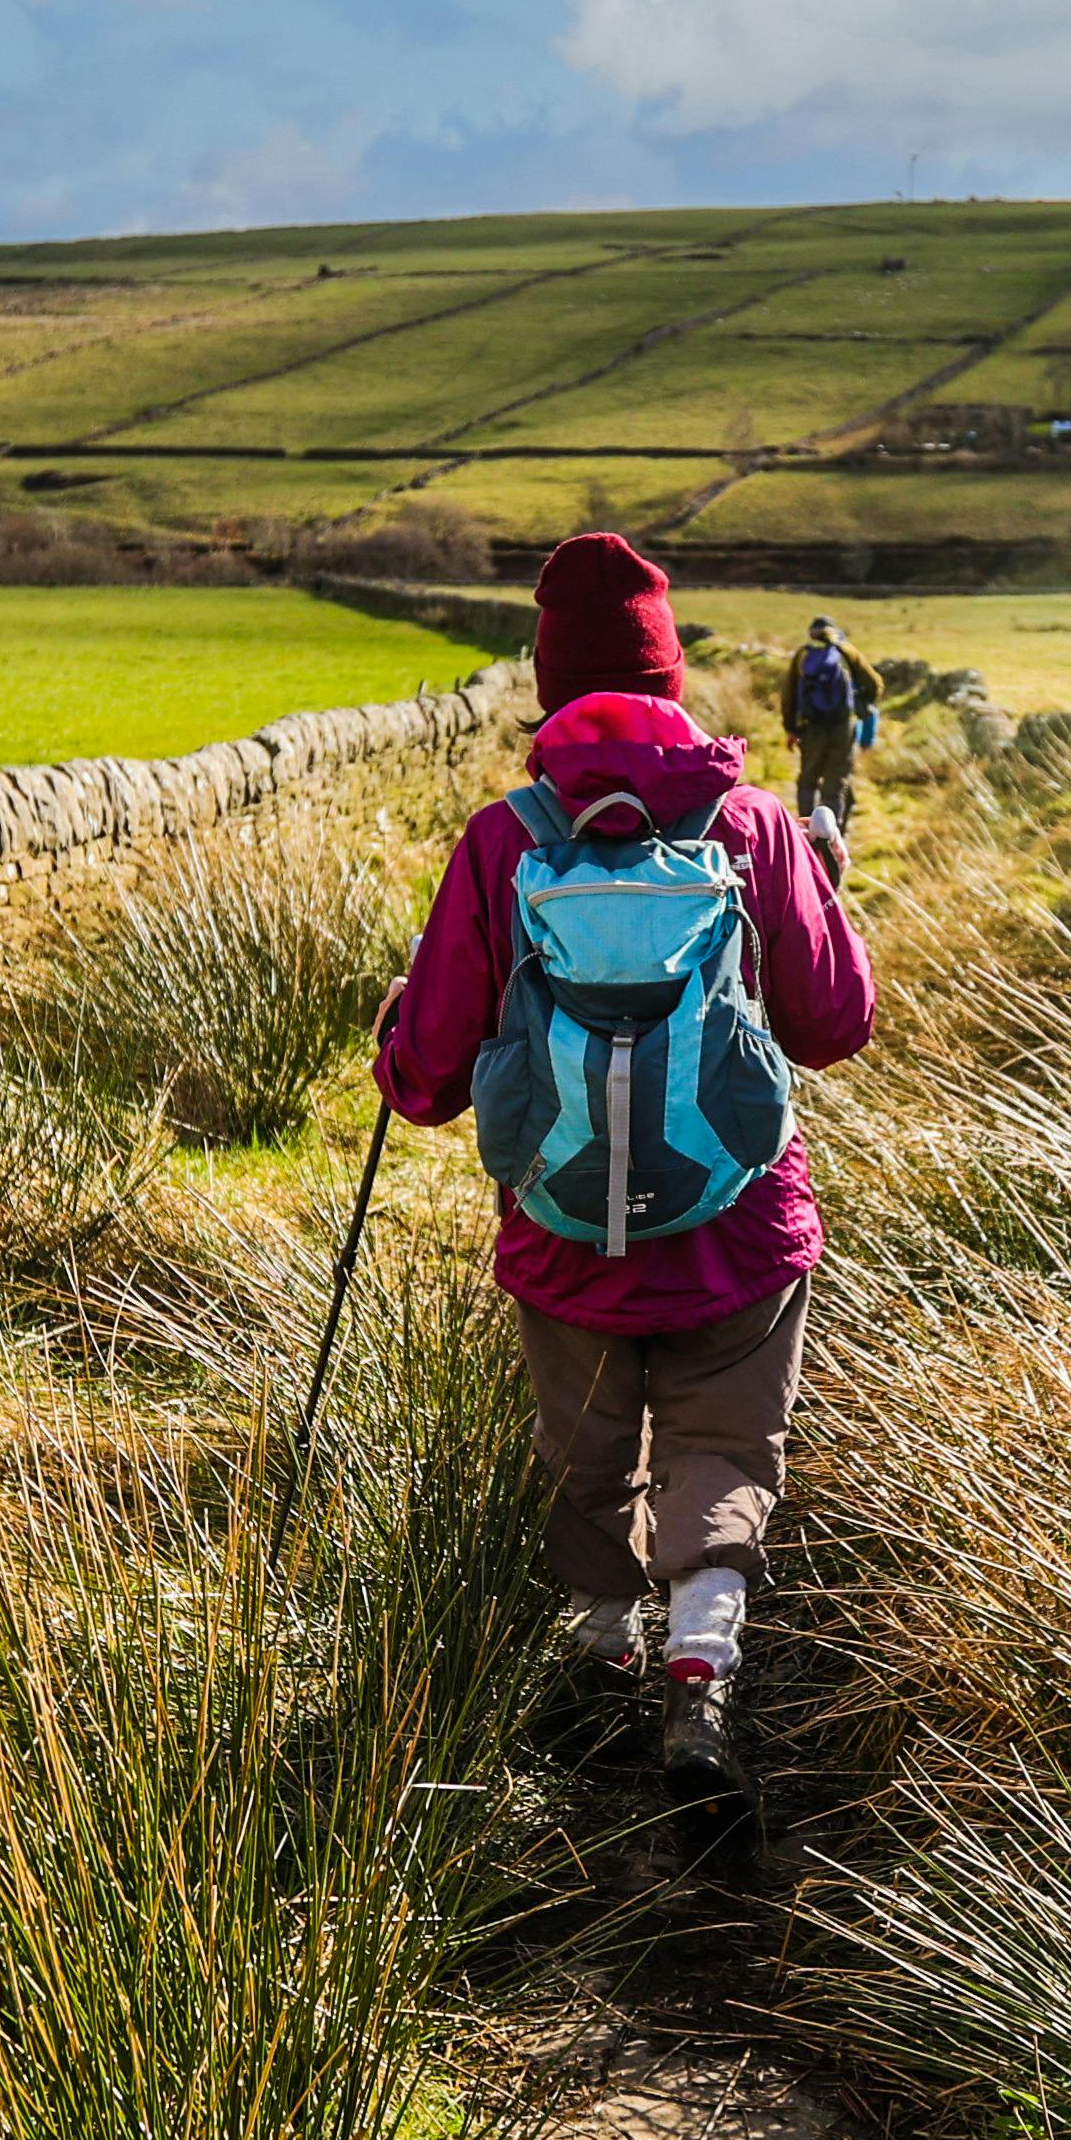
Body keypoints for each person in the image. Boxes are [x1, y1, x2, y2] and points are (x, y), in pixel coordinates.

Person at [374, 533, 876, 1795]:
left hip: (560, 1227)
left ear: (551, 682)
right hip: (740, 1229)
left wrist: (396, 1042)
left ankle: (599, 1659)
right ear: (670, 673)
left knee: (587, 1450)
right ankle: (701, 1670)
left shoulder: (505, 840)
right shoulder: (750, 824)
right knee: (725, 1447)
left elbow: (429, 1080)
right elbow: (836, 1024)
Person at [781, 614, 881, 864]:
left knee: (808, 780)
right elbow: (875, 684)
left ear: (811, 633)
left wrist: (791, 728)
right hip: (841, 727)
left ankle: (806, 835)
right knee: (835, 782)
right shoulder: (847, 652)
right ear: (833, 631)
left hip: (811, 728)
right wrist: (859, 703)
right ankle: (834, 838)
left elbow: (789, 695)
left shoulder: (802, 655)